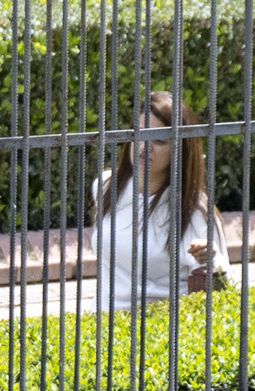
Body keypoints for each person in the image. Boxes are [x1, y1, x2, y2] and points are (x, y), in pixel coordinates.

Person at [92, 92, 223, 313]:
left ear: (179, 151)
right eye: (140, 135)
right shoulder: (106, 186)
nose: (144, 147)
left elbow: (220, 282)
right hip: (103, 323)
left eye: (159, 140)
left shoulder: (193, 208)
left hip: (158, 327)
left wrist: (210, 257)